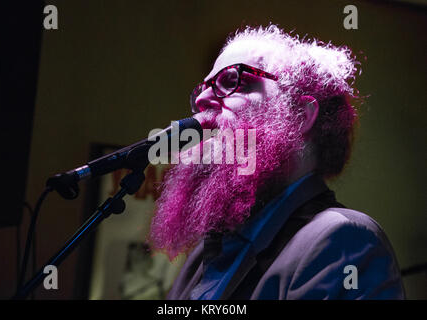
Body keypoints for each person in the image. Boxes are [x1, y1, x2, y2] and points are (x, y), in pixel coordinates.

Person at [148, 25, 405, 299]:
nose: (201, 99)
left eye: (233, 80)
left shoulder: (345, 240)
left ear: (301, 116)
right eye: (202, 88)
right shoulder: (204, 253)